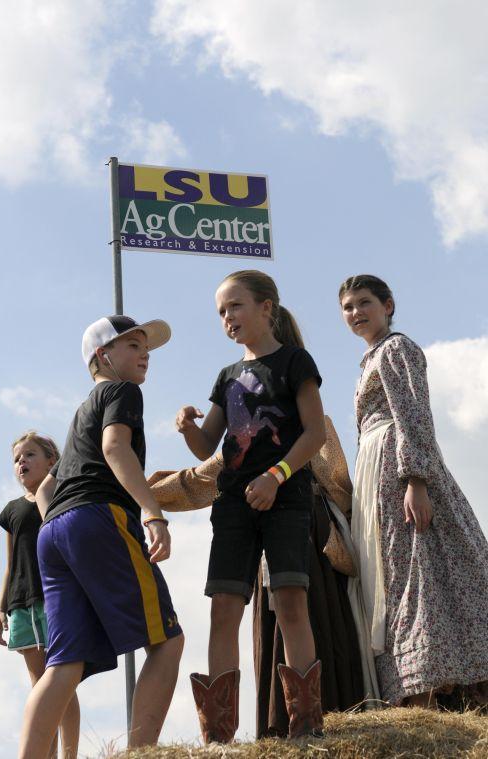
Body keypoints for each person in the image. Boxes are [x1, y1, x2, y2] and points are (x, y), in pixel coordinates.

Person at [17, 315, 184, 759]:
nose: (144, 352)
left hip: (54, 532)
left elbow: (46, 488)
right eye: (132, 344)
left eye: (145, 345)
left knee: (63, 664)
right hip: (97, 517)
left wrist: (66, 525)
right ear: (103, 356)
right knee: (167, 641)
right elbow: (115, 448)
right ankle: (140, 753)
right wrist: (152, 513)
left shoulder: (80, 413)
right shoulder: (123, 391)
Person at [148, 416, 370, 740]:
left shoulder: (313, 419)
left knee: (315, 621)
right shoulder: (245, 432)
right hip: (279, 540)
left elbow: (335, 480)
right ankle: (282, 724)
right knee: (283, 625)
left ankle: (312, 724)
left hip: (312, 539)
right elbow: (204, 478)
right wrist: (144, 492)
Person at [176, 269, 326, 742]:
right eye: (221, 311)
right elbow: (206, 448)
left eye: (235, 306)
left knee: (289, 604)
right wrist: (186, 428)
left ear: (267, 308)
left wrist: (276, 476)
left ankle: (305, 728)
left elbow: (315, 434)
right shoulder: (226, 377)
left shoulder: (295, 362)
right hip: (233, 505)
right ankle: (219, 737)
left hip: (286, 499)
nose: (227, 317)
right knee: (224, 608)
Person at [339, 274, 488, 707]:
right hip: (376, 470)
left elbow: (413, 415)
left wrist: (416, 480)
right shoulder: (369, 359)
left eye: (364, 303)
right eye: (347, 308)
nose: (356, 313)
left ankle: (431, 680)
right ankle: (414, 686)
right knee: (396, 571)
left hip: (398, 469)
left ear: (388, 305)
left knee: (419, 566)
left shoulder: (397, 348)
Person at [0, 432, 80, 759]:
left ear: (51, 462)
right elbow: (9, 564)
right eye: (17, 459)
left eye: (30, 455)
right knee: (39, 685)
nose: (22, 463)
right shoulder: (12, 510)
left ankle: (69, 756)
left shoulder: (59, 497)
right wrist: (0, 609)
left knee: (62, 682)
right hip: (20, 604)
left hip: (55, 598)